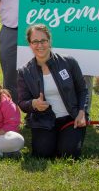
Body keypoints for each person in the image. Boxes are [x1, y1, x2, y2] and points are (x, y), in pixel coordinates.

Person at [16, 24, 90, 159]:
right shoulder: (24, 72)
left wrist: (81, 112)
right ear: (30, 44)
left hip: (71, 117)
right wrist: (34, 103)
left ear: (49, 41)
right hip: (44, 120)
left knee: (68, 154)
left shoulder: (68, 62)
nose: (40, 45)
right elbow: (22, 102)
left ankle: (67, 139)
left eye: (43, 40)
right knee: (42, 154)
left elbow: (83, 90)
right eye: (35, 42)